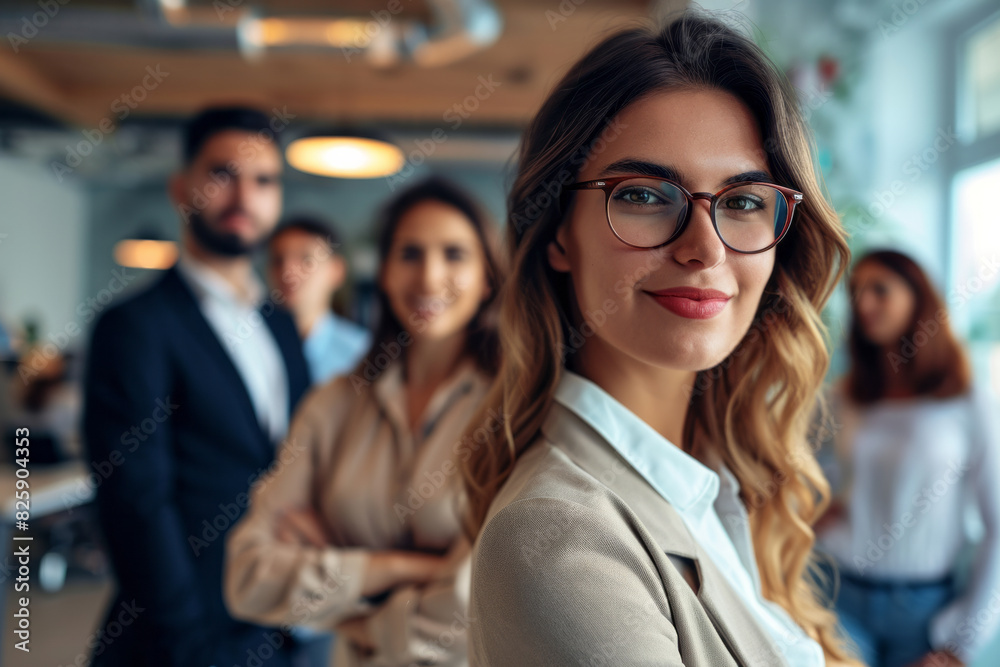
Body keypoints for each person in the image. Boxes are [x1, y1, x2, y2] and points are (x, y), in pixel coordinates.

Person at [460, 13, 864, 667]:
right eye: (646, 194)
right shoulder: (559, 533)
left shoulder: (718, 480)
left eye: (742, 201)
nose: (703, 248)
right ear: (560, 231)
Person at [83, 106, 327, 666]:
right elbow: (137, 502)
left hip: (278, 626)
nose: (245, 195)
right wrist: (189, 643)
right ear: (180, 187)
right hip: (182, 637)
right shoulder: (135, 326)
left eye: (264, 180)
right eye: (223, 173)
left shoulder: (281, 326)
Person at [224, 177, 504, 667]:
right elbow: (247, 578)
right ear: (386, 273)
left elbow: (483, 607)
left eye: (455, 254)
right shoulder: (333, 403)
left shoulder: (514, 408)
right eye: (410, 254)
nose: (429, 277)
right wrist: (401, 567)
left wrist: (349, 608)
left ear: (487, 277)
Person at [817, 249, 1000, 667]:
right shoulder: (845, 397)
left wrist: (963, 643)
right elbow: (786, 464)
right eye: (857, 291)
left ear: (918, 298)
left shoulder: (970, 404)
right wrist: (812, 506)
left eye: (879, 290)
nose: (863, 304)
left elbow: (998, 527)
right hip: (838, 596)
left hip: (925, 614)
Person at [267, 216, 371, 385]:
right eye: (278, 260)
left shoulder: (363, 354)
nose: (288, 271)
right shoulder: (252, 345)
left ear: (337, 271)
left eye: (306, 260)